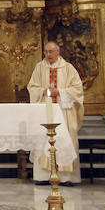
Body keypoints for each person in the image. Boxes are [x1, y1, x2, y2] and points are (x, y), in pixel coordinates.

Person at [26, 41, 84, 185]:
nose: (48, 55)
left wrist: (61, 92)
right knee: (43, 140)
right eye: (46, 52)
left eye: (51, 51)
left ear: (58, 52)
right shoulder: (39, 68)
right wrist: (42, 91)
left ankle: (66, 178)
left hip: (64, 113)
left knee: (64, 141)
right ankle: (43, 176)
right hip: (45, 112)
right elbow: (32, 86)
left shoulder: (68, 68)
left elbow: (77, 89)